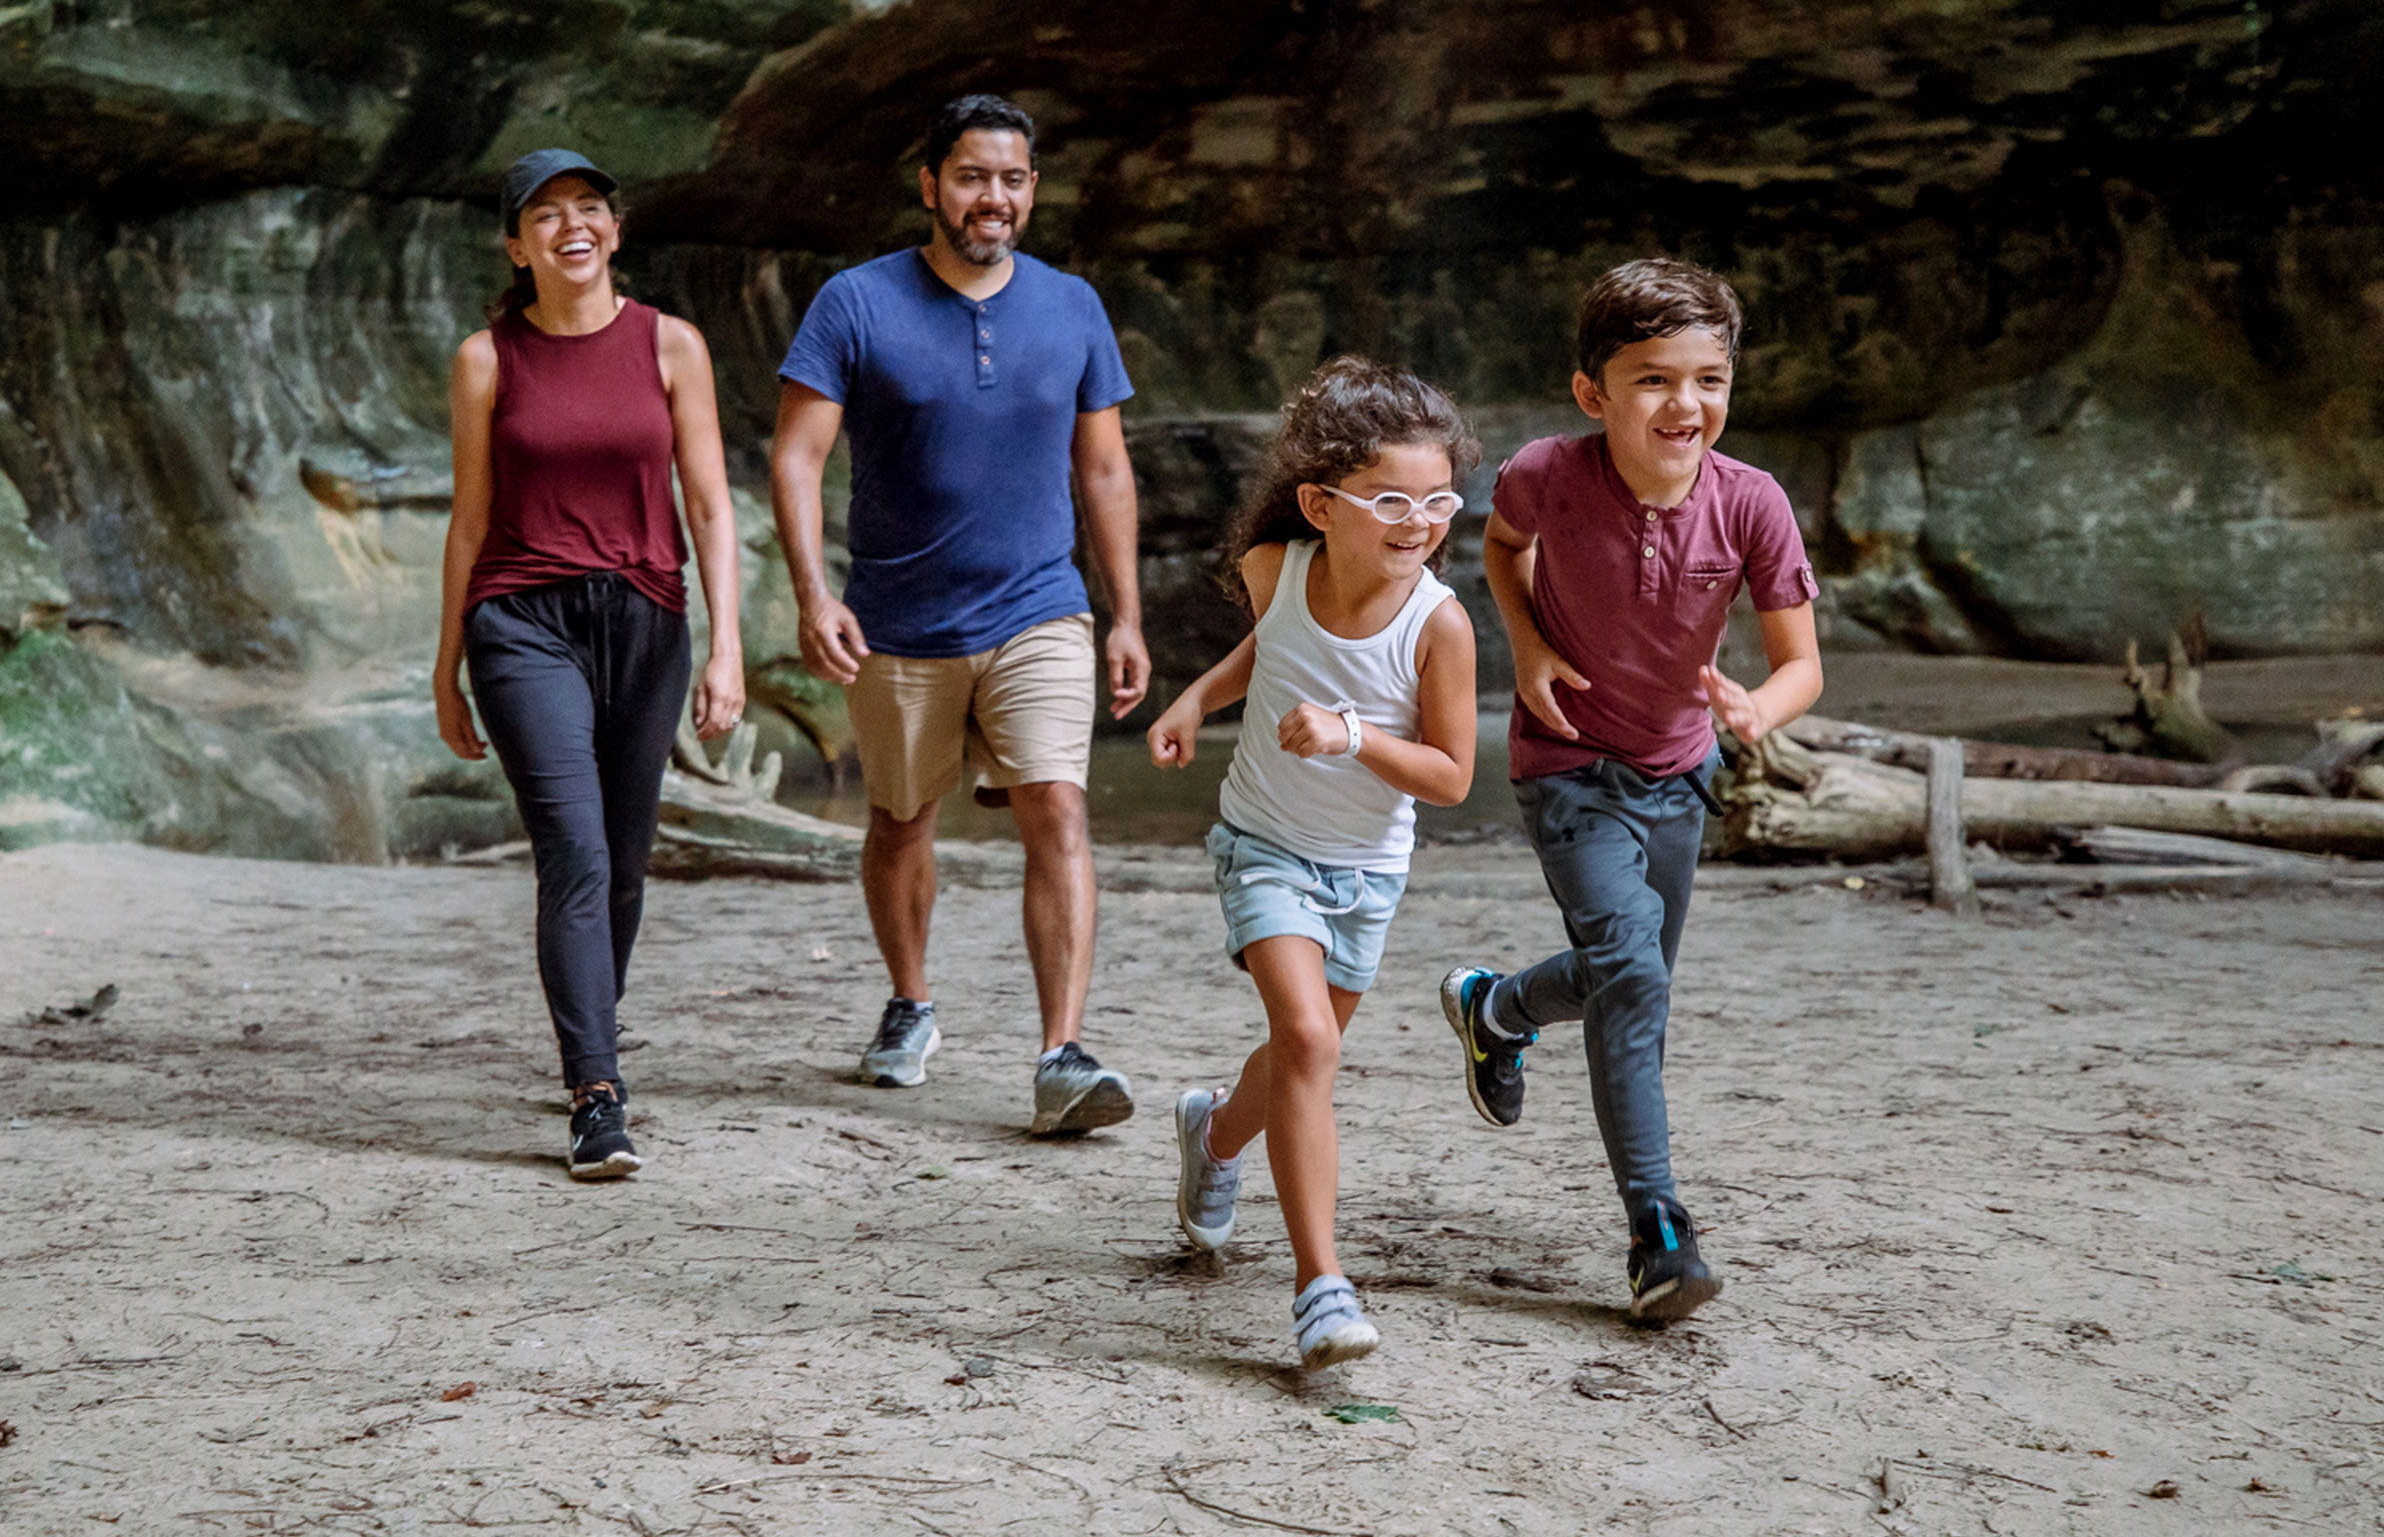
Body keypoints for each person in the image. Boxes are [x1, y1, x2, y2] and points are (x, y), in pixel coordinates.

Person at [1438, 257, 1821, 1320]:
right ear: (1592, 392)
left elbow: (1803, 664)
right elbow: (1503, 549)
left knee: (1627, 975)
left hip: (1678, 773)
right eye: (1653, 380)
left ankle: (1498, 1008)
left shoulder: (1752, 504)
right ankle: (1658, 1229)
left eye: (1708, 380)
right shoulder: (1545, 475)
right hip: (1565, 762)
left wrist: (1758, 711)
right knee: (1634, 979)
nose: (1684, 404)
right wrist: (1523, 648)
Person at [770, 94, 1152, 1135]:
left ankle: (1061, 1054)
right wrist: (814, 593)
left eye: (1015, 179)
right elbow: (798, 458)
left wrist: (1125, 614)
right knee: (900, 822)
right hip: (898, 618)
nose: (997, 198)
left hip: (1040, 605)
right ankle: (910, 1002)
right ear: (932, 186)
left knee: (1057, 809)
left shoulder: (1072, 306)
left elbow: (1106, 468)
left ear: (1034, 190)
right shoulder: (855, 303)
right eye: (976, 177)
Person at [1146, 358, 1479, 1369]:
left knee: (1300, 1057)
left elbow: (1454, 776)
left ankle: (1213, 1134)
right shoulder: (1273, 569)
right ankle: (1320, 1289)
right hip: (1264, 846)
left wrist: (1354, 737)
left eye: (1437, 500)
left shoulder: (1441, 625)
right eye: (1389, 500)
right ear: (1319, 505)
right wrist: (1196, 699)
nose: (1416, 521)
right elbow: (1272, 647)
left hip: (1367, 873)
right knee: (1308, 1041)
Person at [431, 148, 746, 1182]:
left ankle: (588, 1036)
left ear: (614, 230)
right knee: (573, 850)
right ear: (516, 246)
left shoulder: (672, 346)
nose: (571, 225)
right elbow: (470, 513)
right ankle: (596, 1094)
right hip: (522, 622)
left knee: (622, 859)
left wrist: (728, 647)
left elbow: (708, 504)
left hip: (648, 621)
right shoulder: (487, 359)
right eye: (545, 214)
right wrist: (447, 663)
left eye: (589, 209)